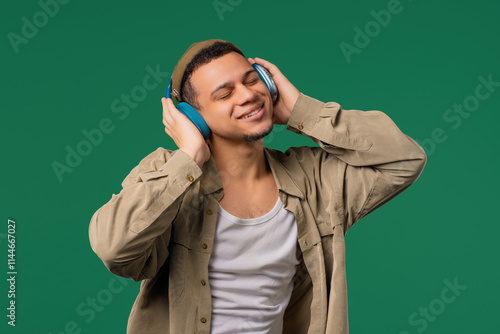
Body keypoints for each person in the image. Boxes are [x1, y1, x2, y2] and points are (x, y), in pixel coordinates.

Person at [88, 38, 427, 334]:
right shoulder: (167, 172)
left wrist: (301, 111)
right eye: (225, 94)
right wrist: (189, 156)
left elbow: (405, 159)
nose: (249, 95)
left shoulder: (314, 179)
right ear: (193, 116)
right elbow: (115, 250)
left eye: (253, 80)